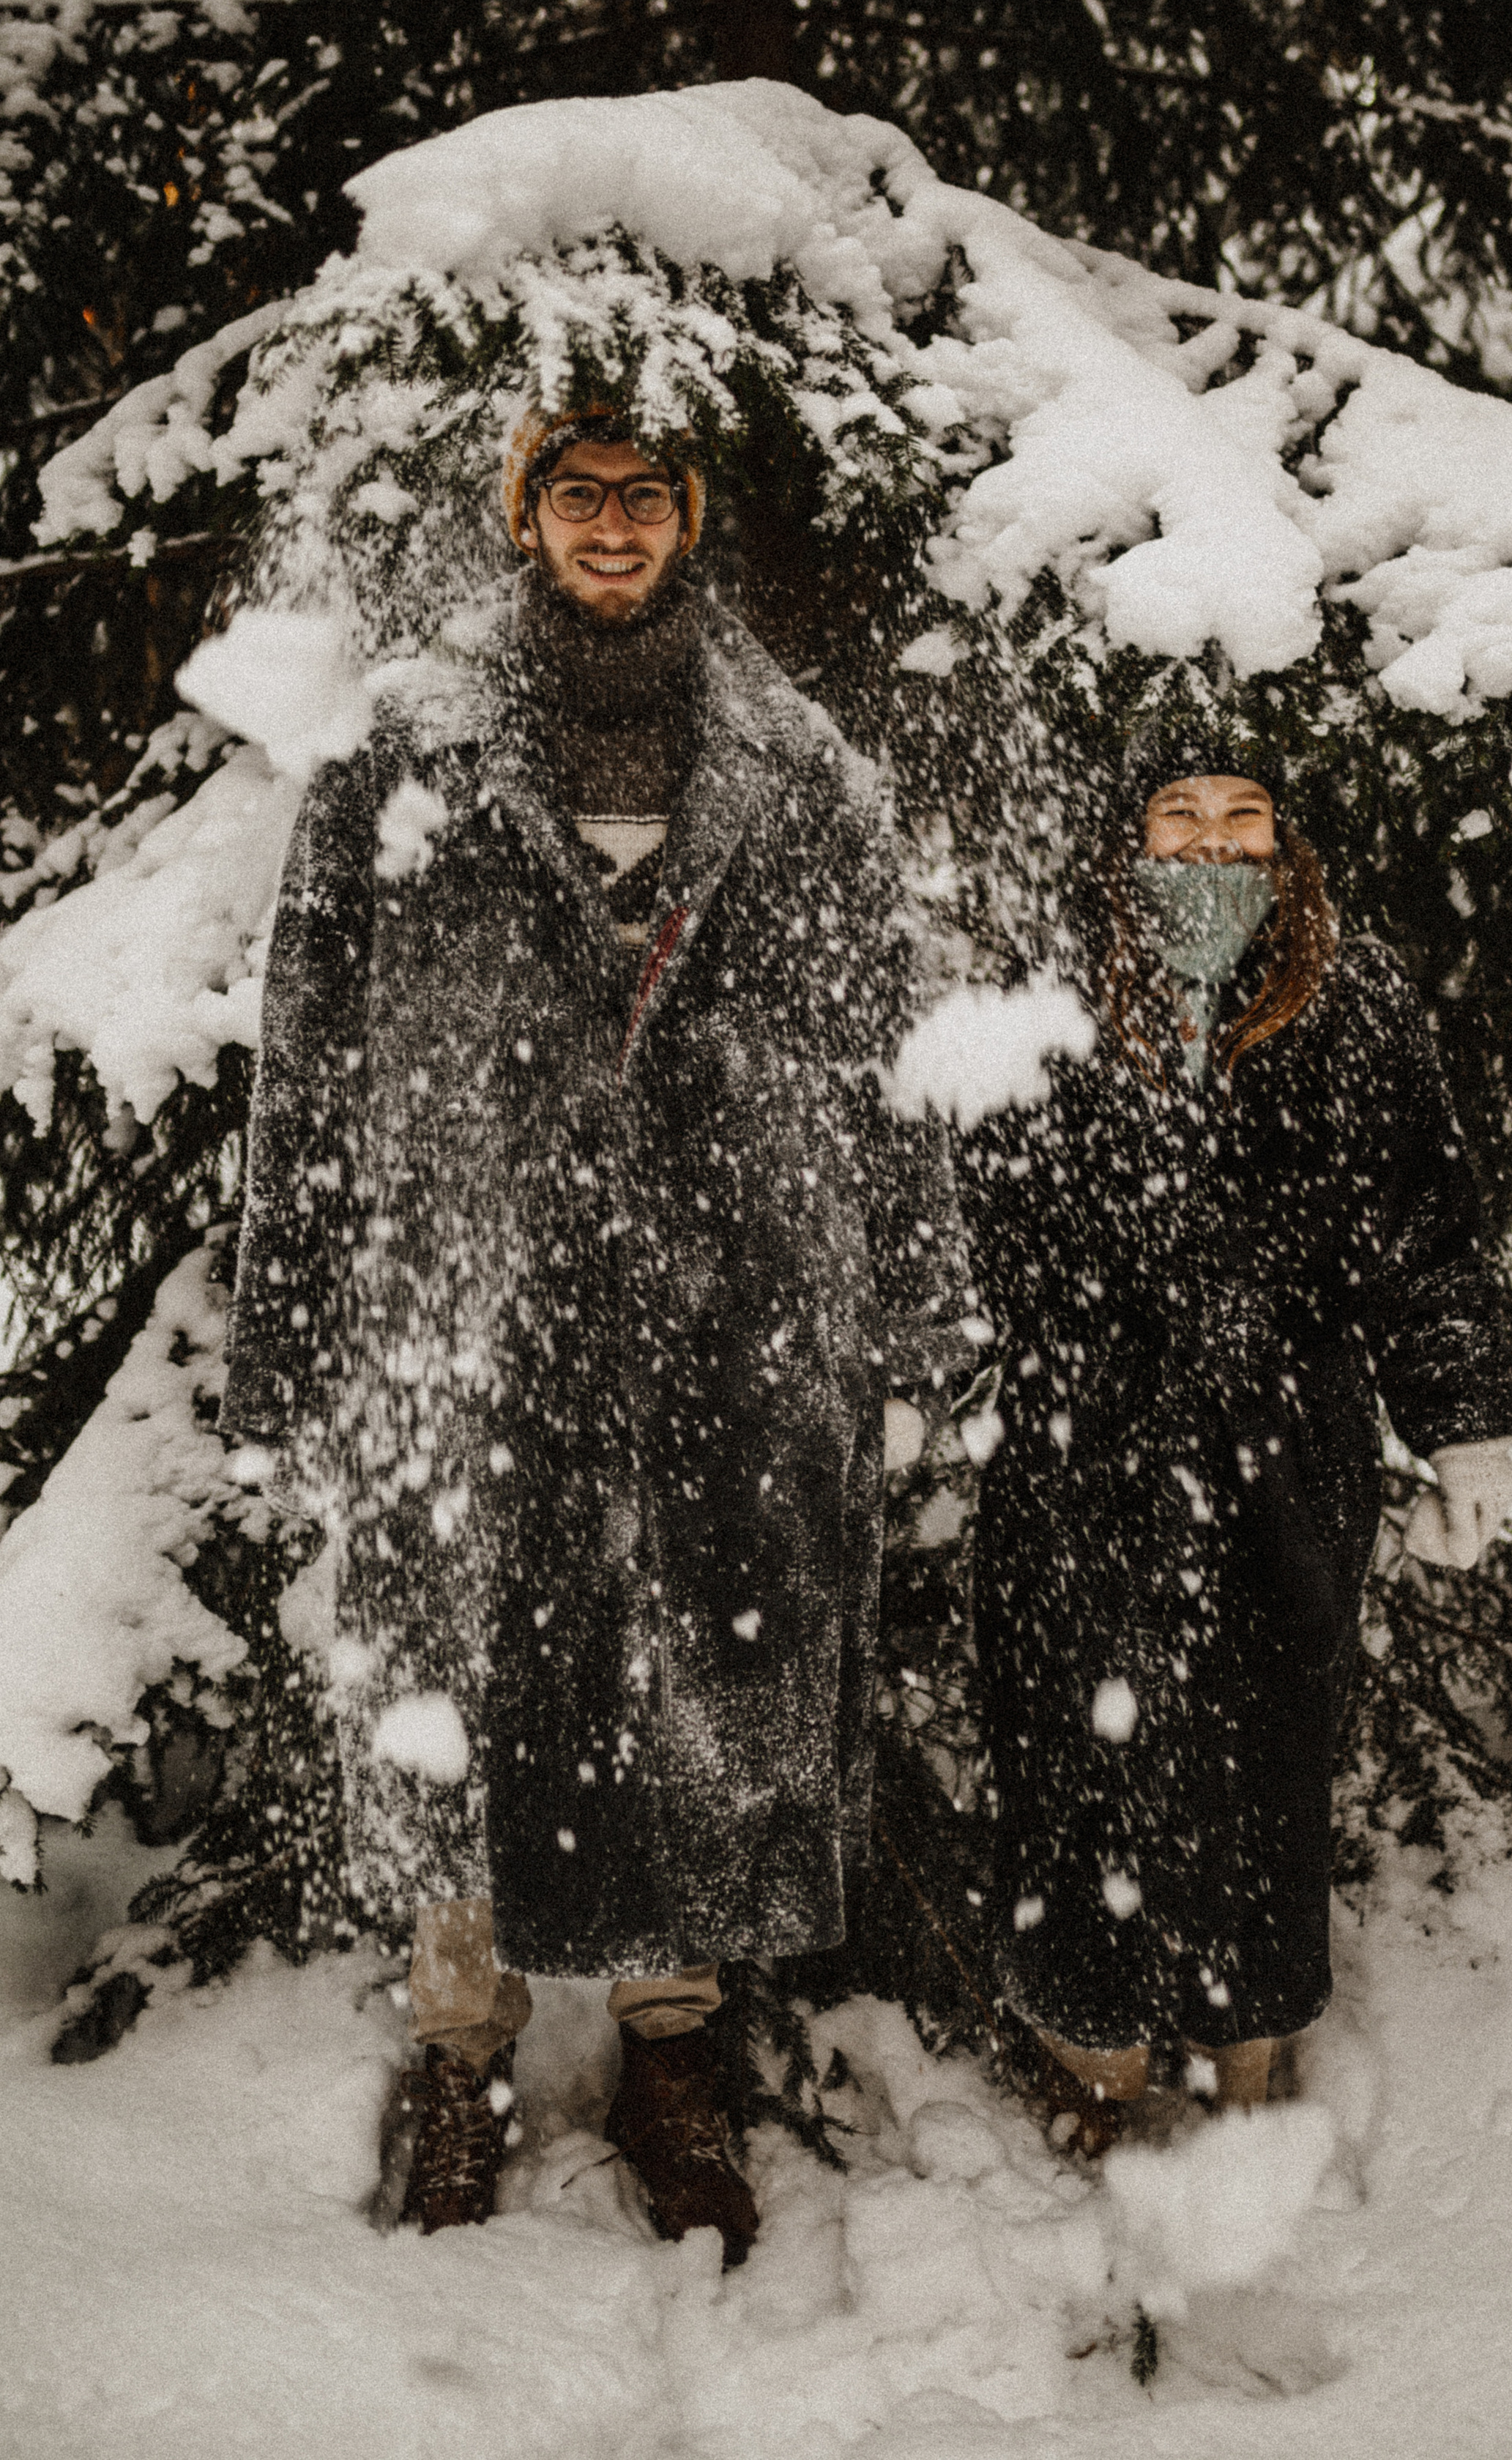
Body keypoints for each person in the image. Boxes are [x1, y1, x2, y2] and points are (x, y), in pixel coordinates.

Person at [221, 409, 972, 2256]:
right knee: (455, 1679)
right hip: (468, 1299)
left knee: (694, 1669)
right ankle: (463, 2049)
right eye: (579, 494)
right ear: (527, 519)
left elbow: (898, 1063)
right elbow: (312, 1047)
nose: (611, 524)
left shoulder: (801, 771)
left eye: (644, 496)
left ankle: (671, 2053)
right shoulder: (404, 749)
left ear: (687, 523)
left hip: (727, 1299)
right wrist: (295, 1325)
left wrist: (924, 1295)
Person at [958, 711, 1512, 2142]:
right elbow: (952, 1231)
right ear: (1127, 830)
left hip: (1284, 1465)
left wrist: (1457, 1422)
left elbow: (1425, 1235)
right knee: (1072, 1772)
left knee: (1257, 1783)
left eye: (1242, 813)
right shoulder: (1040, 1000)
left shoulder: (1357, 996)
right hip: (1077, 1458)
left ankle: (1239, 2080)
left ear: (1285, 834)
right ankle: (1096, 2076)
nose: (1211, 842)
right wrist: (931, 1382)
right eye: (1180, 811)